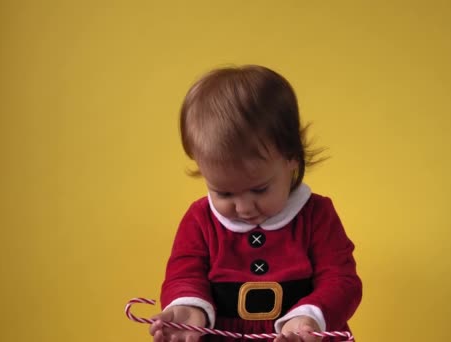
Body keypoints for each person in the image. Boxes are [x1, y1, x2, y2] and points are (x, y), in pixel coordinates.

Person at [149, 65, 362, 341]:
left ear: (291, 159)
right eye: (224, 193)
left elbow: (342, 281)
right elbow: (182, 275)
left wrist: (310, 316)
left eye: (259, 189)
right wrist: (187, 306)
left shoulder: (317, 215)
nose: (244, 208)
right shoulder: (199, 219)